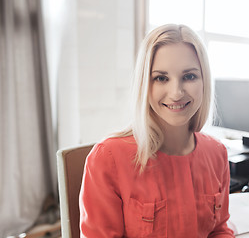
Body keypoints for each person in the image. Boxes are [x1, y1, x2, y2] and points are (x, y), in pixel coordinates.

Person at [79, 24, 235, 238]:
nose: (176, 93)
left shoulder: (217, 153)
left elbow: (219, 230)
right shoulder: (107, 159)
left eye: (189, 76)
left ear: (204, 82)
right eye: (161, 78)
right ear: (145, 84)